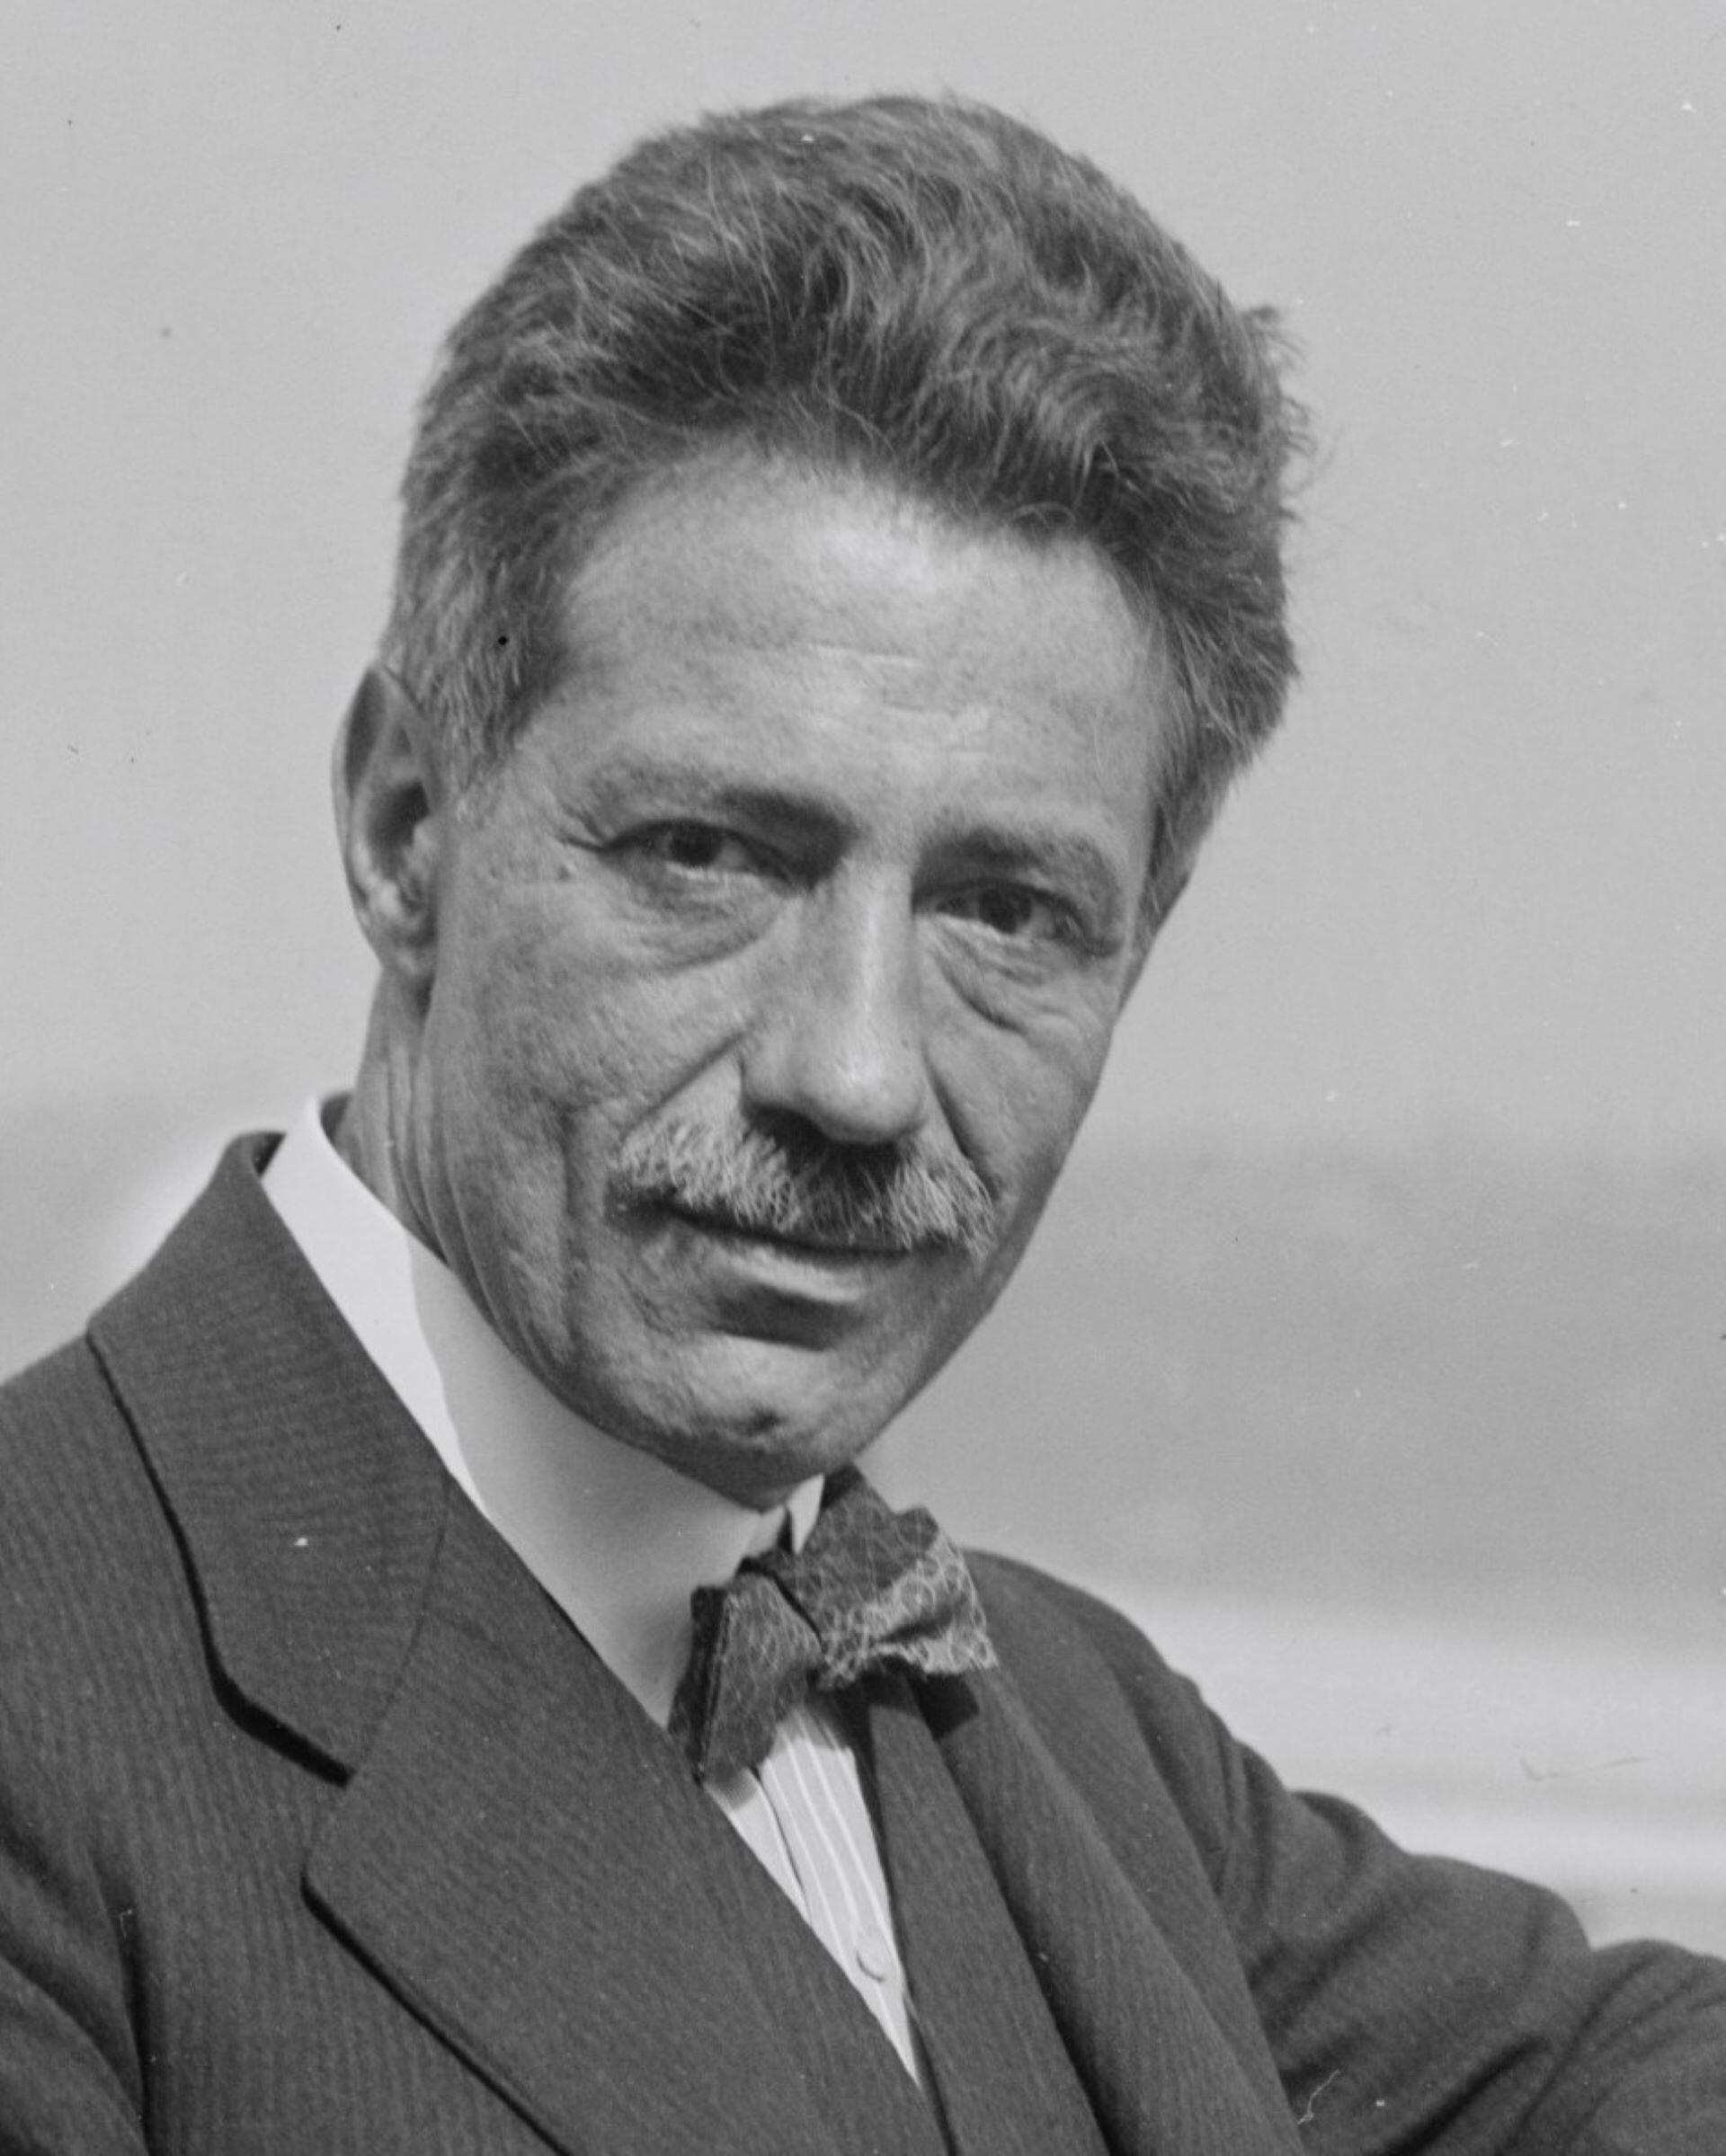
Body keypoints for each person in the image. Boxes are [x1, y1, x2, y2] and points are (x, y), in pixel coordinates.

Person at [1, 92, 1722, 2156]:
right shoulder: (46, 1692)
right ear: (402, 830)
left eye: (1009, 912)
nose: (857, 1071)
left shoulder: (1076, 1740)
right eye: (712, 853)